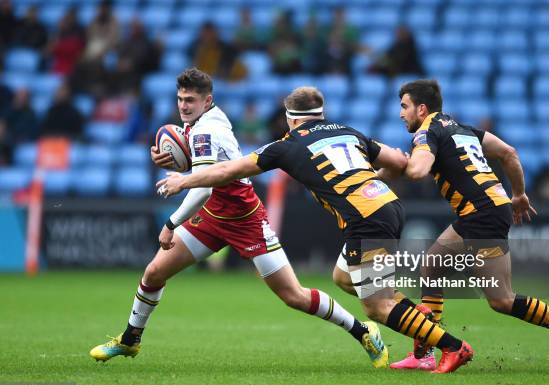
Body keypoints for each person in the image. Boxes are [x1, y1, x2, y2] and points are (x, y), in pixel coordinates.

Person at [158, 86, 474, 373]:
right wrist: (371, 180)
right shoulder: (347, 131)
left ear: (290, 119)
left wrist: (184, 179)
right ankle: (420, 326)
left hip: (366, 218)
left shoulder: (286, 146)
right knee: (344, 278)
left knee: (376, 305)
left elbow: (228, 169)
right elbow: (398, 162)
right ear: (320, 113)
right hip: (387, 206)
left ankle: (453, 347)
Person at [89, 68, 386, 368]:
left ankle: (363, 331)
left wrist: (170, 224)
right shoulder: (205, 120)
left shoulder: (206, 129)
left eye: (190, 100)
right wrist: (179, 161)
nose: (183, 106)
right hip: (213, 215)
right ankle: (130, 340)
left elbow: (202, 187)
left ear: (207, 101)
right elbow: (208, 169)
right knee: (154, 273)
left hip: (245, 219)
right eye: (180, 99)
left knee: (294, 296)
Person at [384, 79, 549, 372]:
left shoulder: (427, 132)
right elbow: (508, 152)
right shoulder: (463, 129)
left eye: (404, 106)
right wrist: (520, 194)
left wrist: (399, 162)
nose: (401, 114)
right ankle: (424, 354)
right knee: (431, 266)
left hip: (482, 213)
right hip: (483, 209)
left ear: (421, 109)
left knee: (501, 299)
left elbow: (418, 171)